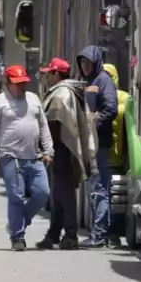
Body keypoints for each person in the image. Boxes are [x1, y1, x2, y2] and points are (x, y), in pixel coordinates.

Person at [0, 64, 53, 252]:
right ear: (8, 83)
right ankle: (17, 236)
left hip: (33, 157)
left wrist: (48, 150)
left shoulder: (33, 99)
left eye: (24, 83)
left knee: (43, 193)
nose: (22, 87)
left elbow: (43, 126)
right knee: (16, 197)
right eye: (18, 83)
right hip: (10, 157)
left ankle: (18, 222)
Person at [35, 58, 96, 250]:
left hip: (61, 149)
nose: (47, 77)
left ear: (56, 74)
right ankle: (53, 235)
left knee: (64, 194)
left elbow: (53, 125)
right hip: (63, 149)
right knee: (59, 195)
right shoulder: (67, 91)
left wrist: (45, 148)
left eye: (49, 73)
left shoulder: (60, 95)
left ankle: (70, 235)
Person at [77, 46, 118, 248]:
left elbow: (111, 108)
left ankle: (99, 235)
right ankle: (102, 233)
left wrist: (94, 123)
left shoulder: (103, 80)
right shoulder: (89, 82)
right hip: (90, 143)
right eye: (82, 63)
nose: (84, 66)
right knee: (95, 187)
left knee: (99, 188)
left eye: (88, 62)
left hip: (99, 143)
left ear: (96, 62)